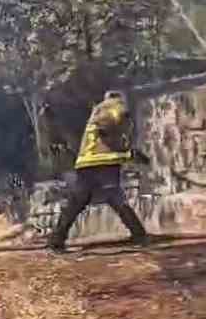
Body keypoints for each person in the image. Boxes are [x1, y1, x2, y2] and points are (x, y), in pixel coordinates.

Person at [47, 90, 151, 253]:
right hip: (104, 161)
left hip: (85, 162)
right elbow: (106, 128)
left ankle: (56, 240)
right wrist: (128, 154)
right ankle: (140, 235)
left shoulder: (98, 109)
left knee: (77, 202)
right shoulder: (115, 107)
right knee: (116, 198)